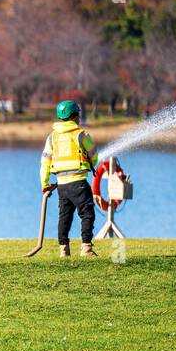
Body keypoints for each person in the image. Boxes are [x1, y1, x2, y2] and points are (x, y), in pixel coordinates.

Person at [39, 100, 99, 257]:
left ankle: (63, 251)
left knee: (64, 217)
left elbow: (45, 163)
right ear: (74, 117)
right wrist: (91, 163)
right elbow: (94, 156)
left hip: (62, 186)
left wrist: (45, 185)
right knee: (87, 214)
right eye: (78, 115)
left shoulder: (52, 138)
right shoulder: (81, 135)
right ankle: (86, 248)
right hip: (78, 182)